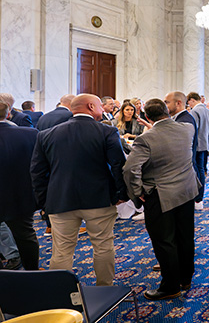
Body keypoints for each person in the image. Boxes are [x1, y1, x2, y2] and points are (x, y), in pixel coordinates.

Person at [30, 94, 127, 286]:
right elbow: (118, 165)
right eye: (100, 106)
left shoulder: (47, 135)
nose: (102, 110)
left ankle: (61, 294)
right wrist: (120, 195)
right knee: (103, 246)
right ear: (91, 106)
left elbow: (37, 173)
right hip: (99, 199)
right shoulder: (106, 132)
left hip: (60, 200)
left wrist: (44, 203)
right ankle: (104, 289)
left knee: (62, 250)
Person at [123, 98, 198, 300]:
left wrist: (138, 192)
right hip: (186, 191)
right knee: (184, 236)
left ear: (147, 116)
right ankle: (185, 278)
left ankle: (170, 286)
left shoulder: (146, 139)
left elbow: (130, 169)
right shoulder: (187, 129)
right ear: (167, 111)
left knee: (165, 241)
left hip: (160, 195)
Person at [0, 103, 40, 270]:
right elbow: (39, 165)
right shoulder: (31, 134)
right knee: (25, 235)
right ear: (9, 114)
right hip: (21, 194)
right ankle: (32, 272)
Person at [187, 92, 209, 210]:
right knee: (201, 169)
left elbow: (193, 129)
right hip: (205, 143)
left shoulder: (194, 111)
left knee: (197, 171)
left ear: (192, 100)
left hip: (196, 145)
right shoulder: (208, 111)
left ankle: (198, 198)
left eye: (189, 102)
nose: (189, 105)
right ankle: (199, 198)